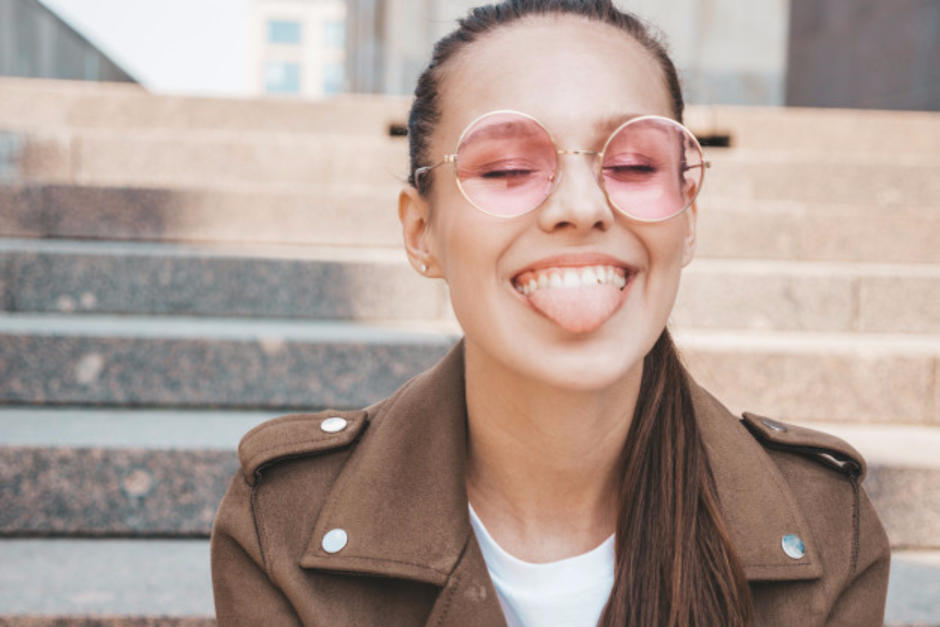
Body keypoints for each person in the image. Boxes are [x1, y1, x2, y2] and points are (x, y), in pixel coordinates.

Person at [210, 1, 890, 625]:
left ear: (688, 218)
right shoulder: (283, 522)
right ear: (422, 233)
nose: (581, 205)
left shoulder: (827, 525)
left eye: (632, 163)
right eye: (506, 168)